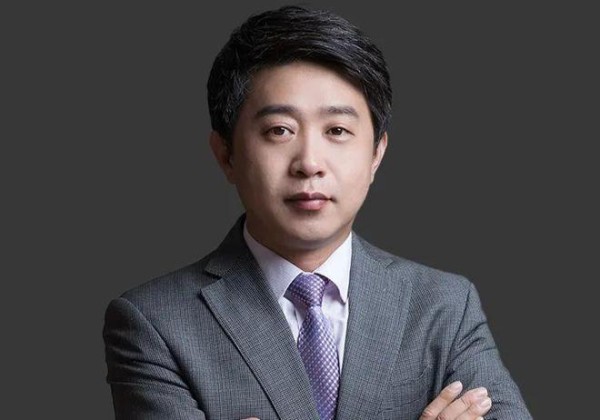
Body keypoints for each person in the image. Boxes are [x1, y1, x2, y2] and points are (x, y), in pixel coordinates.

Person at [103, 5, 532, 420]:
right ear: (226, 154)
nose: (309, 162)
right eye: (279, 130)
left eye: (337, 130)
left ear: (376, 154)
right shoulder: (156, 322)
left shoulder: (444, 306)